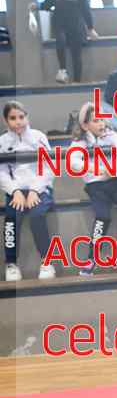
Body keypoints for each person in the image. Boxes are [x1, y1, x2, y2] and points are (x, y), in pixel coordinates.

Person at [68, 102, 117, 275]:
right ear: (85, 125)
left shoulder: (111, 135)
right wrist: (97, 169)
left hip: (116, 181)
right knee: (102, 216)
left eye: (102, 119)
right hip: (96, 185)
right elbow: (73, 161)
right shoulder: (80, 141)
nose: (101, 124)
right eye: (95, 121)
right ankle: (92, 259)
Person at [0, 102, 56, 282]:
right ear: (5, 121)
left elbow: (48, 167)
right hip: (16, 192)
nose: (18, 121)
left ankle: (47, 262)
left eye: (21, 117)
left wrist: (35, 190)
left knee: (37, 215)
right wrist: (15, 191)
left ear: (27, 117)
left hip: (40, 189)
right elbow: (2, 172)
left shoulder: (38, 137)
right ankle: (11, 264)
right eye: (13, 118)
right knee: (11, 217)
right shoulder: (2, 141)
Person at [29, 0, 98, 84]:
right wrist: (36, 6)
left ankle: (77, 81)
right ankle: (62, 70)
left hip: (76, 26)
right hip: (60, 23)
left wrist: (90, 28)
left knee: (76, 54)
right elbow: (47, 4)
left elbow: (85, 9)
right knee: (60, 41)